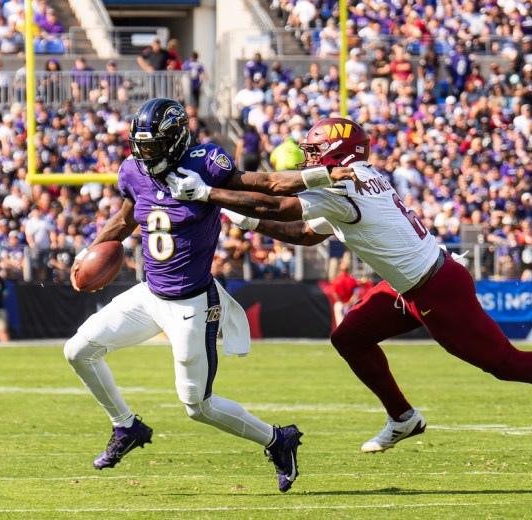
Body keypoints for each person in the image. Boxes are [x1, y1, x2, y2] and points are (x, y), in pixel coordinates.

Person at [167, 117, 532, 454]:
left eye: (316, 151)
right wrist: (243, 220)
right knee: (349, 335)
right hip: (414, 284)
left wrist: (212, 194)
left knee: (506, 365)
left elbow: (278, 204)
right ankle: (403, 418)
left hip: (435, 289)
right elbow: (299, 232)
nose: (308, 158)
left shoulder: (342, 187)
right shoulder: (360, 178)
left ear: (336, 154)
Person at [62, 98, 359, 493]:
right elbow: (123, 219)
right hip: (149, 295)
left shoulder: (206, 163)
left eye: (152, 146)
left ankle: (278, 439)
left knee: (197, 406)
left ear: (175, 139)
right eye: (140, 145)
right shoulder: (133, 170)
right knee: (78, 350)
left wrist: (323, 175)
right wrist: (88, 251)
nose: (144, 154)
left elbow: (267, 184)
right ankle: (126, 425)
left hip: (191, 303)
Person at [330, 257, 359, 326]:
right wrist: (348, 303)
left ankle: (341, 332)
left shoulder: (336, 279)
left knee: (339, 321)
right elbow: (356, 293)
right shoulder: (352, 279)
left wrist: (343, 303)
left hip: (341, 304)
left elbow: (334, 293)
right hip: (351, 304)